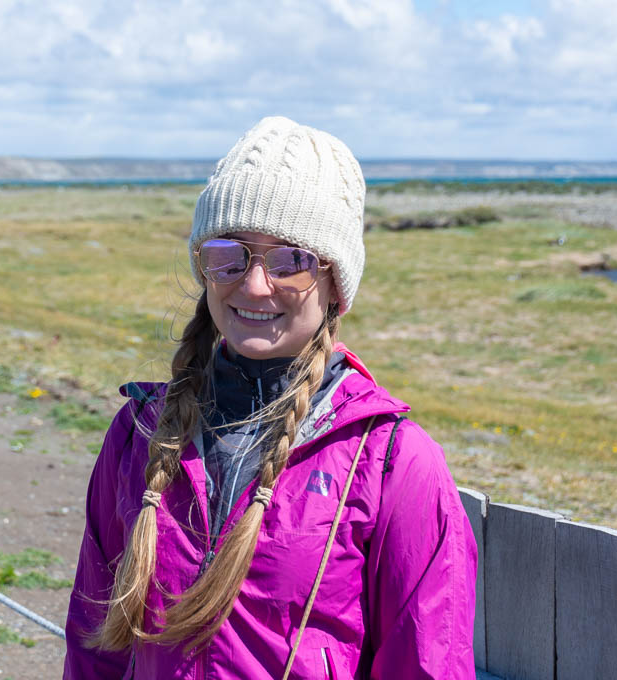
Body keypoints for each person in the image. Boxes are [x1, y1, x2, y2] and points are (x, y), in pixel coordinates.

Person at [64, 117, 477, 679]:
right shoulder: (139, 434)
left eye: (291, 260)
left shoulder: (390, 462)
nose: (255, 285)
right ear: (204, 268)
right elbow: (95, 650)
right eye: (229, 254)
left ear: (336, 286)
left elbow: (427, 665)